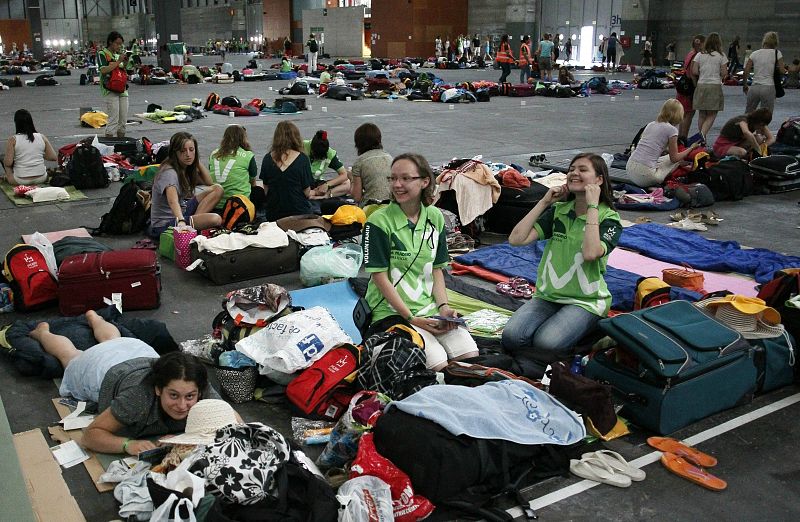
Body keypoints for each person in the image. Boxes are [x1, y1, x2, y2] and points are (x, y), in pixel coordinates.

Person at [31, 310, 220, 454]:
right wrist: (127, 445)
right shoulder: (137, 397)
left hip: (138, 352)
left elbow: (233, 421)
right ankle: (42, 332)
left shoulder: (196, 382)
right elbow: (90, 436)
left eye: (189, 397)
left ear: (198, 391)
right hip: (101, 367)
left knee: (114, 340)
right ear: (157, 389)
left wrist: (185, 438)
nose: (182, 405)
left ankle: (95, 317)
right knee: (70, 356)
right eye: (173, 395)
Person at [502, 154, 621, 378]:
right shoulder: (560, 211)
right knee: (511, 336)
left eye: (583, 170)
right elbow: (516, 239)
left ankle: (593, 328)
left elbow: (590, 253)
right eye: (571, 169)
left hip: (585, 301)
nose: (574, 173)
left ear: (599, 180)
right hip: (549, 296)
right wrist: (544, 201)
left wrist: (593, 206)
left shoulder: (609, 218)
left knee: (547, 343)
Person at [362, 153, 479, 371]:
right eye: (393, 178)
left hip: (429, 310)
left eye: (406, 178)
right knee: (438, 365)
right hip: (392, 314)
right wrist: (411, 318)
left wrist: (444, 307)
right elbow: (379, 277)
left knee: (470, 359)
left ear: (425, 181)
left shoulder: (435, 217)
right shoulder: (377, 222)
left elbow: (436, 270)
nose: (397, 184)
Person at [148, 132, 223, 237]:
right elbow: (172, 201)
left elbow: (209, 182)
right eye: (183, 151)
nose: (188, 154)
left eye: (191, 150)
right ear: (175, 153)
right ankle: (193, 226)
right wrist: (181, 221)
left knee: (217, 189)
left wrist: (196, 160)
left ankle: (194, 225)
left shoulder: (185, 166)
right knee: (216, 219)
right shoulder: (169, 172)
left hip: (182, 210)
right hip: (164, 225)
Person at [626, 99, 700, 187]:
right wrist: (691, 148)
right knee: (676, 161)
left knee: (665, 158)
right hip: (644, 176)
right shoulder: (672, 130)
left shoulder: (651, 124)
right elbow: (674, 158)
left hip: (630, 168)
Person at [260, 121, 313, 221]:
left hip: (274, 214)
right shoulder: (302, 159)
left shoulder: (267, 158)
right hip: (298, 212)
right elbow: (306, 192)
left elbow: (266, 190)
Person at [209, 125, 258, 209]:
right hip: (239, 206)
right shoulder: (248, 156)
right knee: (257, 191)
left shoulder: (213, 154)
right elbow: (252, 181)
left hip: (215, 203)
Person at [4, 109, 58, 186]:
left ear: (16, 123)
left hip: (20, 180)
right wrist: (36, 153)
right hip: (42, 178)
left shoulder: (13, 139)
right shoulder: (41, 137)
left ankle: (8, 177)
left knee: (5, 162)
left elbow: (8, 163)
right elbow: (53, 157)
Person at [691, 32, 728, 138]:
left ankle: (702, 140)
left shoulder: (699, 54)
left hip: (701, 84)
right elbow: (724, 73)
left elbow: (694, 71)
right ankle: (702, 136)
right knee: (712, 113)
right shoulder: (721, 55)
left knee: (702, 114)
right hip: (714, 85)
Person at [97, 31, 131, 138]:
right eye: (117, 43)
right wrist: (118, 62)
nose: (119, 46)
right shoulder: (102, 54)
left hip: (122, 90)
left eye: (121, 44)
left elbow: (123, 70)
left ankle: (120, 147)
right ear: (110, 42)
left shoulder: (117, 55)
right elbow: (103, 70)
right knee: (113, 120)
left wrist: (125, 63)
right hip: (110, 90)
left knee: (122, 122)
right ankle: (109, 149)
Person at [351, 123, 392, 209]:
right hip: (392, 205)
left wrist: (351, 179)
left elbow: (356, 197)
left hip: (372, 207)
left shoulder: (359, 162)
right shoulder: (389, 157)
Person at [743, 32, 785, 114]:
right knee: (765, 115)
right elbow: (782, 71)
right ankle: (761, 127)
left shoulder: (754, 53)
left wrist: (745, 85)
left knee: (748, 113)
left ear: (764, 41)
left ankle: (745, 126)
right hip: (768, 87)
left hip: (754, 87)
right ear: (776, 42)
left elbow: (746, 71)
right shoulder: (777, 53)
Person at [304, 130, 351, 199]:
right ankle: (313, 194)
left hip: (316, 184)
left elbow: (344, 175)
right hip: (301, 183)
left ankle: (324, 196)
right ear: (312, 149)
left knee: (348, 183)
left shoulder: (330, 153)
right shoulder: (301, 146)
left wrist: (327, 185)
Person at [677, 34, 705, 141]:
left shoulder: (690, 53)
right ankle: (683, 137)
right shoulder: (697, 56)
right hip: (690, 87)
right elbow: (693, 73)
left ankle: (681, 136)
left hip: (683, 86)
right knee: (689, 114)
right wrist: (696, 87)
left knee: (684, 113)